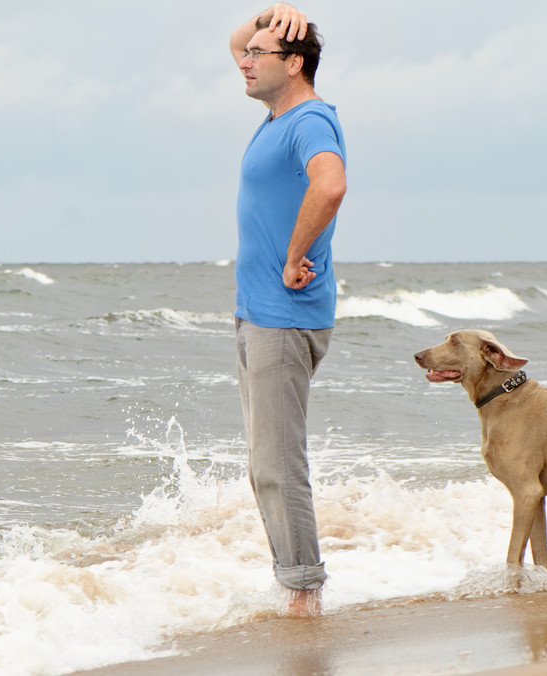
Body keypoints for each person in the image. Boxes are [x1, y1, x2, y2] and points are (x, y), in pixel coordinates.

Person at [228, 3, 347, 617]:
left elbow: (330, 184)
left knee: (278, 462)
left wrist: (295, 253)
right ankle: (297, 583)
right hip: (259, 313)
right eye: (248, 53)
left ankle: (304, 595)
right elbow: (235, 42)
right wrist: (267, 14)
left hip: (283, 314)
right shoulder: (278, 112)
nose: (244, 61)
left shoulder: (308, 121)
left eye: (260, 54)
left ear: (293, 64)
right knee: (263, 461)